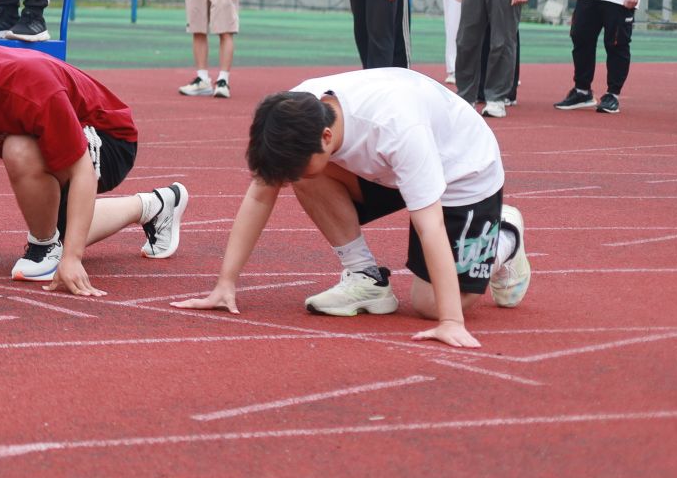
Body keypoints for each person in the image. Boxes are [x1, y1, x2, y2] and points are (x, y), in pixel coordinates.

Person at [174, 69, 531, 348]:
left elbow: (430, 225)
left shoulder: (398, 128)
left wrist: (450, 321)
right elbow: (259, 195)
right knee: (305, 174)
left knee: (429, 304)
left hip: (461, 172)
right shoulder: (296, 114)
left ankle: (504, 238)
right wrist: (225, 283)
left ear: (326, 137)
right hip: (388, 168)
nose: (286, 182)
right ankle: (366, 277)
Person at [0, 48, 188, 295]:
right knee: (66, 227)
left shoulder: (34, 92)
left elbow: (81, 171)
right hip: (58, 145)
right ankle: (155, 206)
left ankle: (45, 246)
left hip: (110, 141)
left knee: (18, 149)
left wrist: (72, 259)